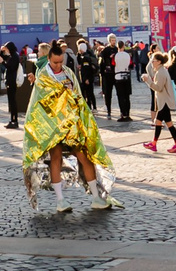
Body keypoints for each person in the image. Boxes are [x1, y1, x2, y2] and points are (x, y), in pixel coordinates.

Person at [21, 45, 118, 212]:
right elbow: (39, 102)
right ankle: (60, 201)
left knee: (84, 156)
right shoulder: (43, 75)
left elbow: (78, 95)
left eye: (60, 62)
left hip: (71, 125)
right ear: (49, 59)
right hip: (52, 127)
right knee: (56, 158)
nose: (58, 65)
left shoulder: (68, 73)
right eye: (55, 62)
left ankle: (96, 197)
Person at [144, 46, 176, 156]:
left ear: (158, 62)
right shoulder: (161, 71)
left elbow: (158, 88)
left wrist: (148, 81)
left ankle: (173, 145)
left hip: (164, 102)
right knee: (164, 123)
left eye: (153, 61)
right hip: (164, 101)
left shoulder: (161, 72)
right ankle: (157, 143)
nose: (152, 62)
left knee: (165, 123)